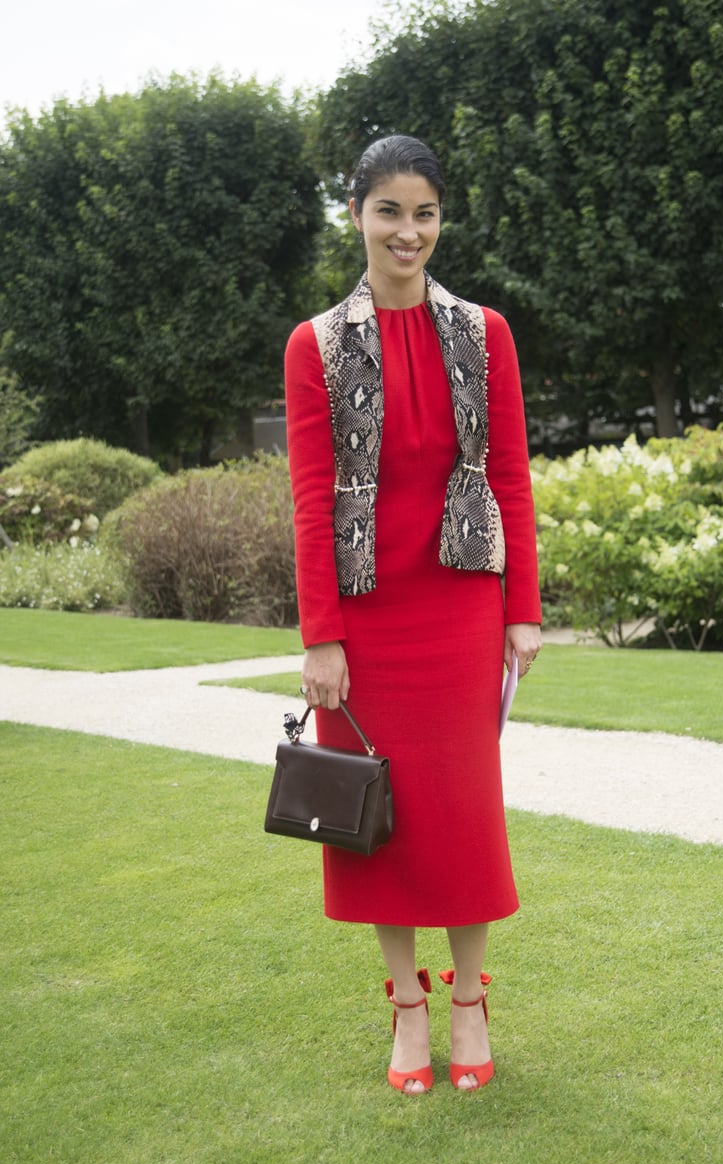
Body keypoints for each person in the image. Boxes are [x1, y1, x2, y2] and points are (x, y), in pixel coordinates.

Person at [284, 134, 541, 1095]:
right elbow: (313, 496)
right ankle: (405, 1007)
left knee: (463, 813)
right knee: (379, 820)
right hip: (366, 617)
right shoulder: (315, 343)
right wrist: (321, 636)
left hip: (464, 606)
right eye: (389, 210)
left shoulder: (486, 333)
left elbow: (510, 476)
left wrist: (524, 612)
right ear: (357, 214)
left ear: (441, 221)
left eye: (424, 212)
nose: (408, 230)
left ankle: (469, 999)